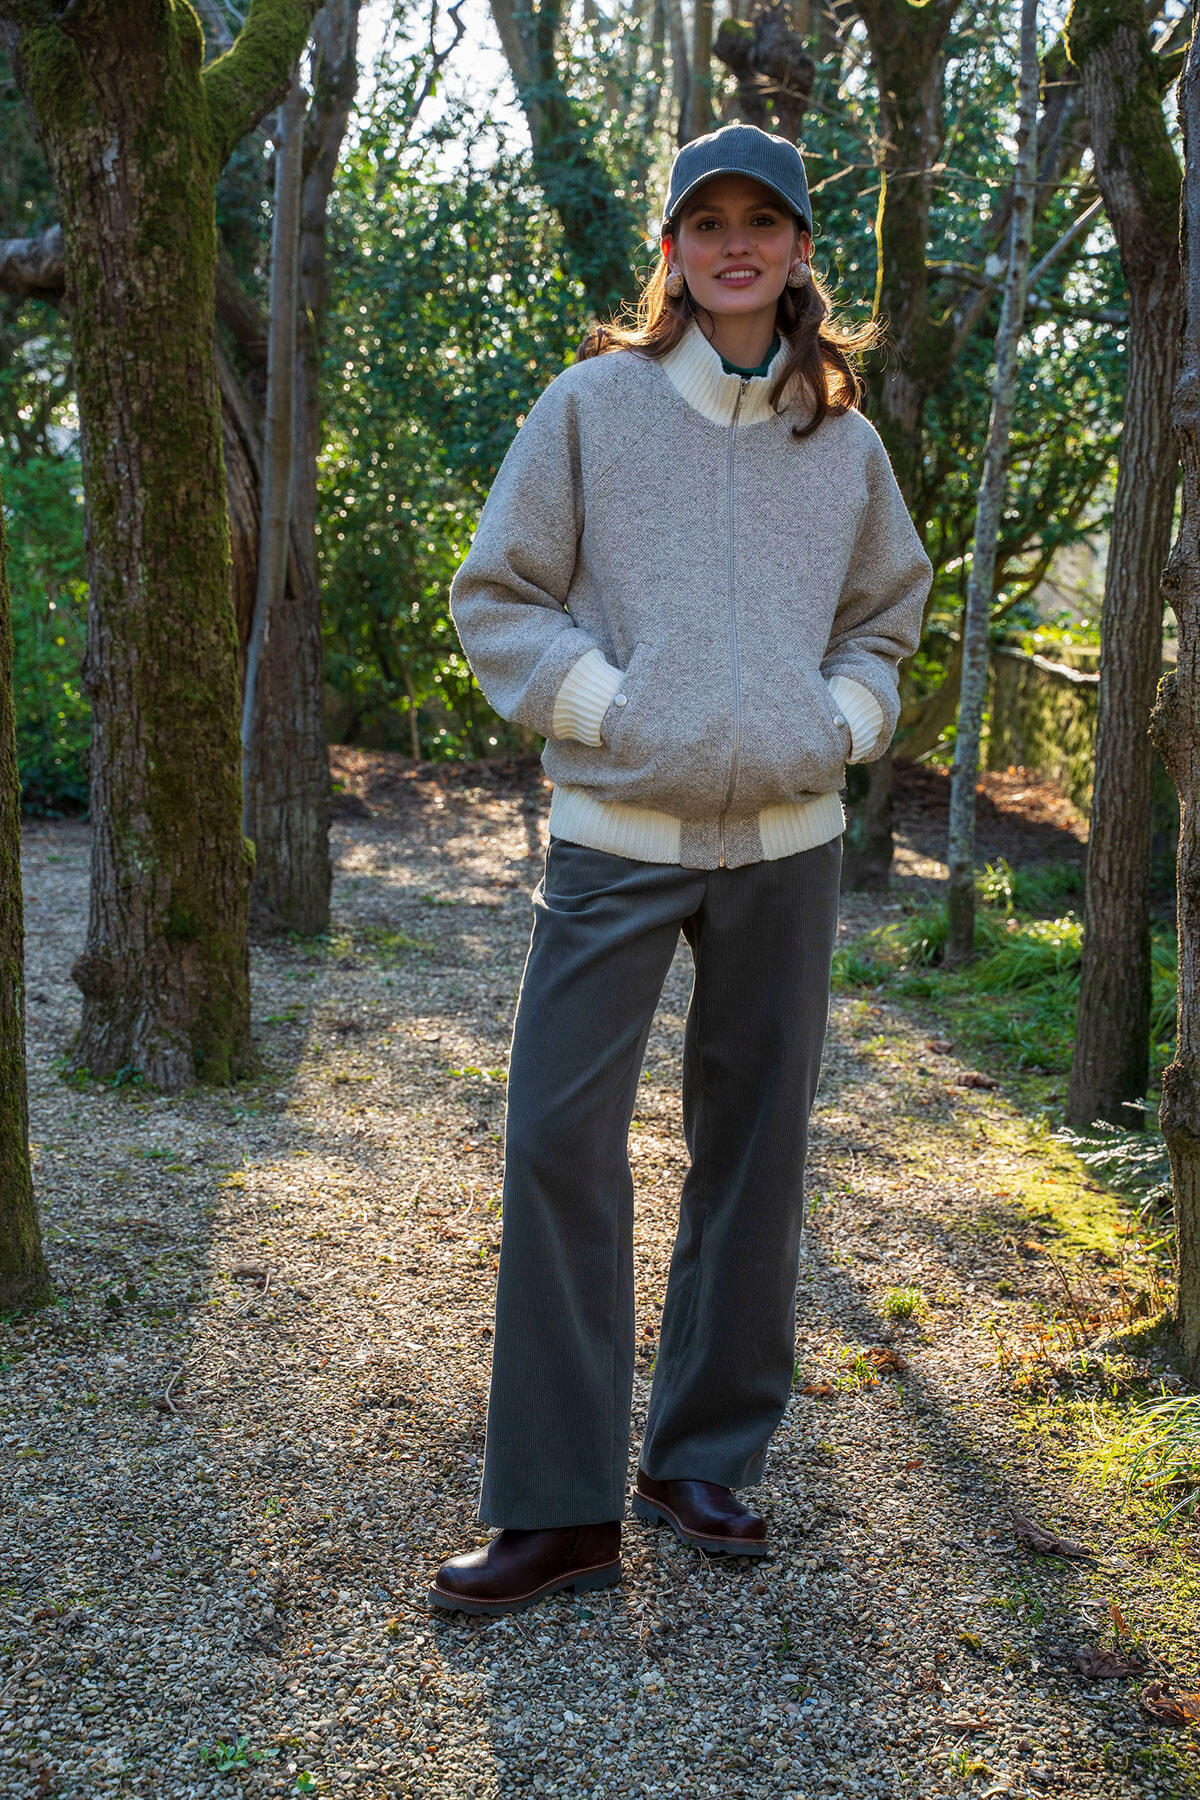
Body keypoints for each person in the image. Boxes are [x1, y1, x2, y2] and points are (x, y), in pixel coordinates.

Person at [430, 122, 933, 1617]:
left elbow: (886, 617)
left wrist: (834, 723)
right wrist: (610, 710)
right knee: (554, 1142)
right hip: (614, 839)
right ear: (668, 250)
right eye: (703, 220)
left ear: (794, 252)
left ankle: (700, 1455)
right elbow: (500, 595)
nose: (732, 243)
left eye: (760, 221)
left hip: (788, 842)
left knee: (756, 1147)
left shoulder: (839, 442)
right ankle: (556, 1507)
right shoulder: (589, 408)